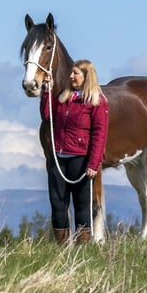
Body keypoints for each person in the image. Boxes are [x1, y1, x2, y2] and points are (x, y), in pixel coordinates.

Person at [41, 59, 109, 244]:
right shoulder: (64, 98)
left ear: (87, 77)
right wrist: (46, 92)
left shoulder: (96, 102)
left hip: (80, 160)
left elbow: (99, 134)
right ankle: (62, 249)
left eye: (76, 73)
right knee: (58, 204)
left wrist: (93, 163)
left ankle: (82, 251)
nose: (71, 76)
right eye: (71, 73)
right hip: (58, 158)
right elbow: (47, 116)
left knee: (81, 206)